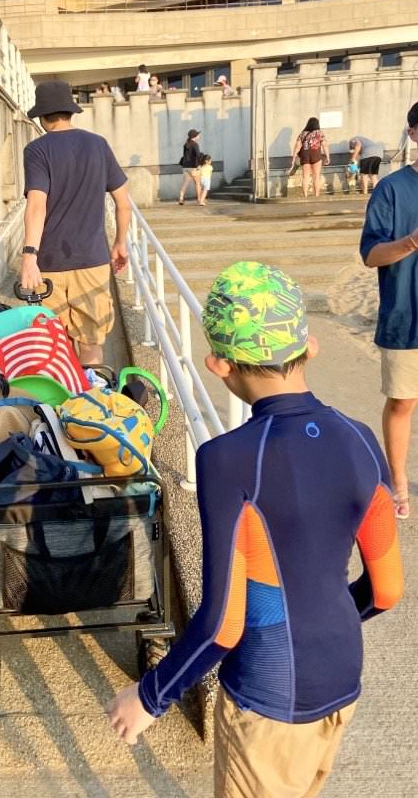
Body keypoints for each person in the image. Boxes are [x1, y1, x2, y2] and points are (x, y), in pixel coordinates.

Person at [106, 260, 404, 797]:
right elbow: (387, 590)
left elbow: (224, 623)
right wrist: (326, 616)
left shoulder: (227, 459)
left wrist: (150, 697)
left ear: (218, 364)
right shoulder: (361, 439)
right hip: (342, 676)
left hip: (270, 695)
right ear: (308, 347)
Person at [20, 80, 131, 367]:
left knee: (56, 345)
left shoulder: (37, 150)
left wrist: (29, 256)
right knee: (92, 344)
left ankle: (65, 404)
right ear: (70, 112)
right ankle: (91, 403)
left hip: (49, 264)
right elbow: (122, 201)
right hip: (92, 261)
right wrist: (120, 243)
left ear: (43, 117)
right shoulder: (98, 145)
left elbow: (36, 205)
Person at [360, 100, 418, 519]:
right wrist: (411, 241)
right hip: (405, 315)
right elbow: (371, 255)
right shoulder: (392, 189)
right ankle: (398, 479)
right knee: (402, 401)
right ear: (413, 133)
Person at [291, 117, 330, 198]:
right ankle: (316, 195)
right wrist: (327, 157)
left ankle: (305, 195)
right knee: (316, 176)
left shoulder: (302, 134)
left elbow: (297, 146)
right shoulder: (319, 133)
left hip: (305, 156)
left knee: (305, 177)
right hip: (316, 154)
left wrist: (294, 158)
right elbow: (325, 145)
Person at [178, 128, 202, 205]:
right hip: (193, 166)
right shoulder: (195, 144)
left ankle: (181, 198)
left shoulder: (186, 144)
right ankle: (199, 200)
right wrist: (200, 165)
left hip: (185, 166)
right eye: (198, 135)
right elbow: (198, 155)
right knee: (197, 183)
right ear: (195, 136)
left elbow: (185, 155)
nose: (199, 136)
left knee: (185, 183)